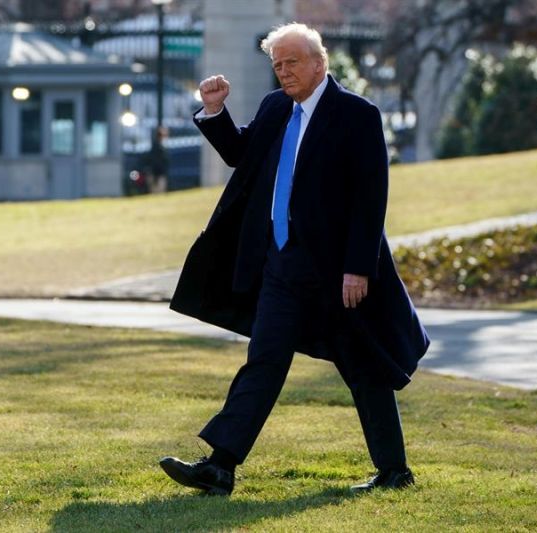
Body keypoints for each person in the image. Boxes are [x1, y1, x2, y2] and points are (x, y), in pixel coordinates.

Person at [161, 23, 430, 496]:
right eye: (277, 64)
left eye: (292, 62)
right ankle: (220, 467)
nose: (284, 72)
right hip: (281, 266)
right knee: (262, 361)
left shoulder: (357, 114)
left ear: (320, 62)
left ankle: (394, 471)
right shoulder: (274, 107)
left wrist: (358, 267)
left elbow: (371, 197)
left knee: (364, 365)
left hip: (337, 271)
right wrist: (214, 111)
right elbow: (241, 154)